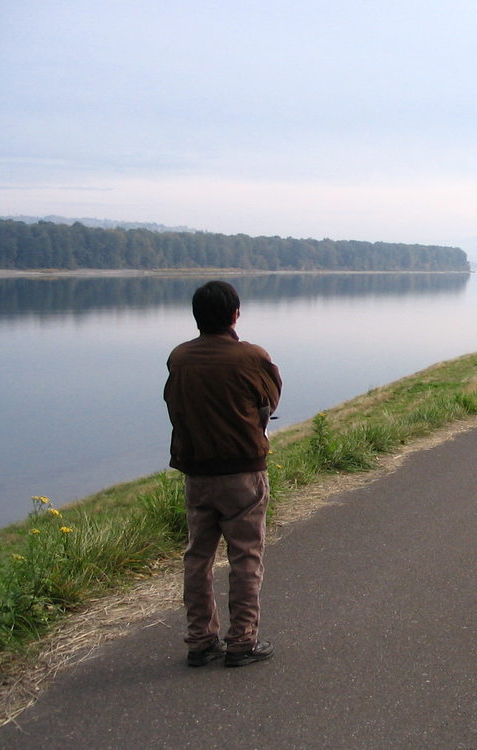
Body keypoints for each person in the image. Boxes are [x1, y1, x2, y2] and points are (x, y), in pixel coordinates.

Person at [164, 280, 282, 668]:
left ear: (197, 315)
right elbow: (272, 398)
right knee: (245, 556)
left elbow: (173, 402)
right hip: (243, 474)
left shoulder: (179, 358)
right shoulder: (250, 356)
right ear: (235, 314)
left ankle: (199, 640)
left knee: (197, 556)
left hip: (197, 473)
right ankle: (241, 642)